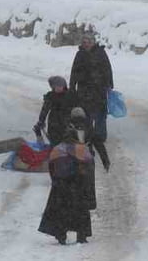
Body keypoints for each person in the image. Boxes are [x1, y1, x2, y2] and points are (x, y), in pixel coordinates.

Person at [38, 108, 108, 245]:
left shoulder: (59, 148)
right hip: (79, 185)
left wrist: (56, 181)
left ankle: (60, 234)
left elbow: (51, 166)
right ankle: (81, 235)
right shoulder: (83, 149)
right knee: (81, 209)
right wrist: (105, 160)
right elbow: (89, 165)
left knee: (59, 208)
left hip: (61, 185)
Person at [69, 31, 114, 142]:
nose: (87, 44)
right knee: (86, 114)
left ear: (93, 42)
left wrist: (109, 85)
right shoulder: (80, 54)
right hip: (84, 90)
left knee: (100, 114)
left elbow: (107, 69)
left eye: (89, 41)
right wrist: (72, 86)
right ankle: (88, 135)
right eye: (85, 41)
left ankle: (100, 137)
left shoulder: (101, 53)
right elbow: (74, 71)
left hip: (99, 89)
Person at [34, 75, 80, 145]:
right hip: (54, 124)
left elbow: (76, 109)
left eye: (61, 86)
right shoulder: (50, 96)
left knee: (67, 141)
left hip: (66, 123)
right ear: (53, 87)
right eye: (56, 86)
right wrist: (41, 121)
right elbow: (44, 110)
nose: (59, 88)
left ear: (64, 85)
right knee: (54, 141)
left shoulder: (70, 95)